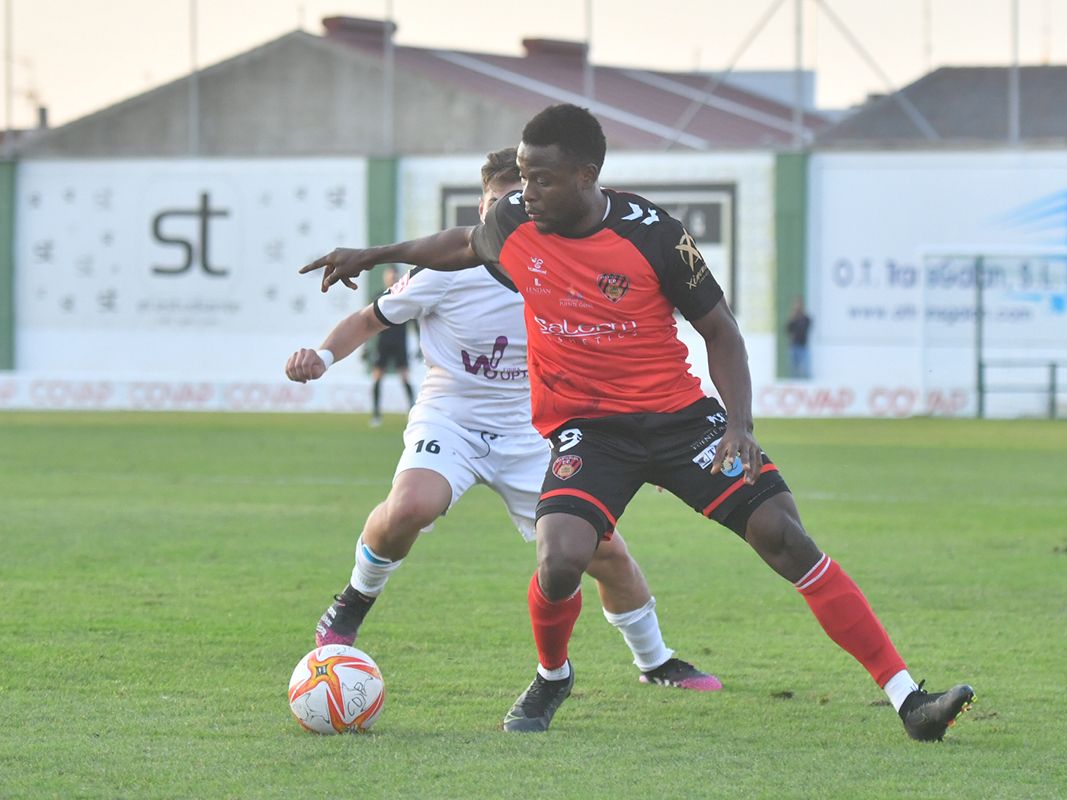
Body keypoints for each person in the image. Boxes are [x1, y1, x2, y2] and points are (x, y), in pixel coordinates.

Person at [300, 104, 973, 741]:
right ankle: (551, 678)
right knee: (562, 558)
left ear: (585, 177)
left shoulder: (653, 236)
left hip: (682, 420)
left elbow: (722, 332)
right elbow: (461, 243)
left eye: (542, 178)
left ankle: (908, 699)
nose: (526, 191)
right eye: (523, 175)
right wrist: (376, 254)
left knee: (785, 537)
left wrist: (739, 425)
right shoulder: (513, 220)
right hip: (590, 431)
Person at [284, 147, 721, 692]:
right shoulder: (444, 271)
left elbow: (616, 355)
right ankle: (351, 603)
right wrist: (322, 357)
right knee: (412, 506)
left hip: (535, 432)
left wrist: (647, 449)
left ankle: (655, 661)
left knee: (603, 552)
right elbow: (369, 319)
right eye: (498, 203)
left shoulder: (564, 268)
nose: (509, 214)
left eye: (522, 201)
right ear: (482, 205)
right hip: (452, 419)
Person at [368, 265, 415, 426]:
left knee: (404, 377)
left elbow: (414, 323)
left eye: (394, 276)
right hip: (383, 343)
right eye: (389, 276)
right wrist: (366, 347)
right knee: (377, 378)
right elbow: (368, 323)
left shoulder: (405, 297)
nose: (391, 278)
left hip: (400, 342)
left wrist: (419, 346)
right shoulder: (378, 297)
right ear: (385, 278)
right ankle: (376, 414)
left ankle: (412, 411)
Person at [786, 296, 812, 379]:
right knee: (793, 370)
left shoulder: (806, 319)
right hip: (793, 346)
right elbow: (788, 330)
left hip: (803, 346)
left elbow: (805, 329)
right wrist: (792, 319)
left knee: (805, 370)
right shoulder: (793, 318)